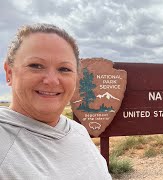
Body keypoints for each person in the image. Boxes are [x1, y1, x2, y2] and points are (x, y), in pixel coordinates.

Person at [0, 23, 112, 179]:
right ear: (9, 73)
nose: (52, 80)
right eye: (36, 66)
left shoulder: (78, 132)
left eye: (64, 69)